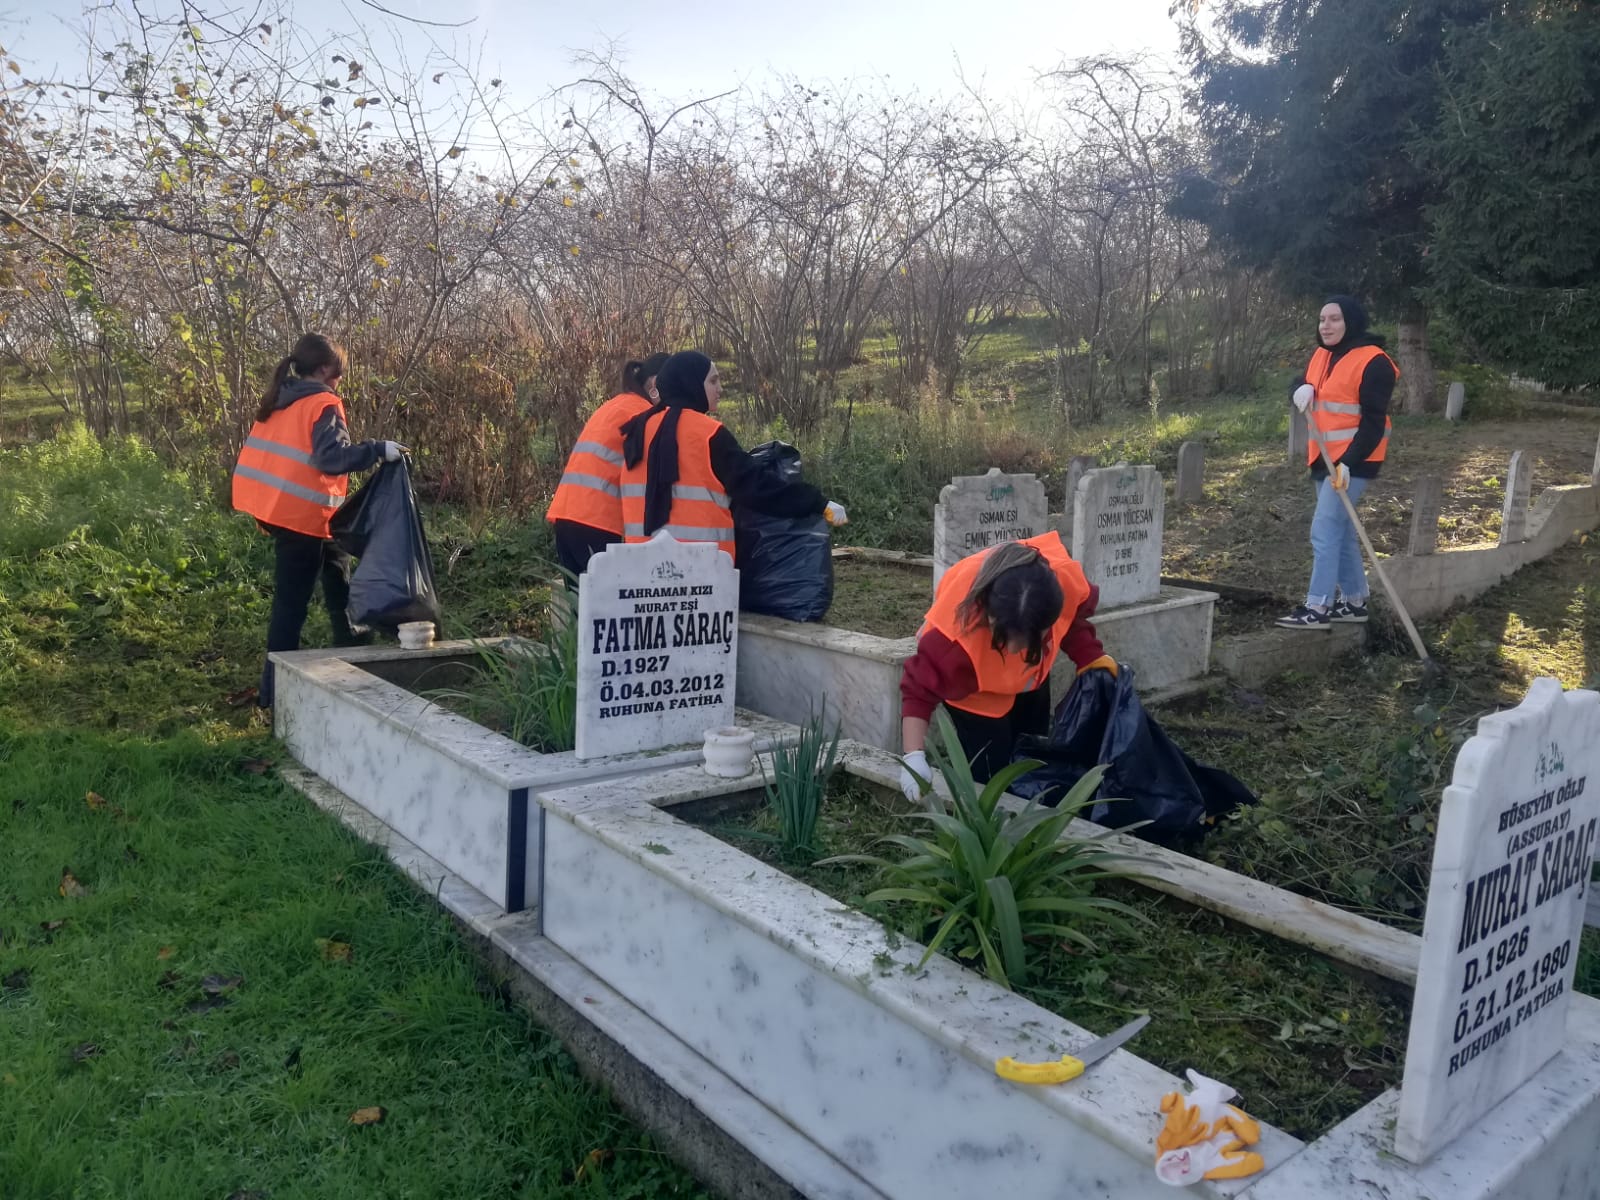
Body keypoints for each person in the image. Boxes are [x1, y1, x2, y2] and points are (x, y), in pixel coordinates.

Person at [232, 333, 404, 707]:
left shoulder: (281, 399)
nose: (340, 380)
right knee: (290, 606)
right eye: (339, 372)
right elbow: (331, 458)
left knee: (341, 586)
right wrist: (377, 450)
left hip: (299, 515)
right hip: (300, 518)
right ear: (326, 369)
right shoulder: (322, 402)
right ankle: (273, 695)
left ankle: (360, 672)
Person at [898, 532, 1116, 800]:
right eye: (1005, 637)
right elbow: (918, 690)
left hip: (1031, 678)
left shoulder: (1061, 585)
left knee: (1031, 756)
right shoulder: (954, 643)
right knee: (991, 775)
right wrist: (914, 756)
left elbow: (1072, 619)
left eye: (1029, 639)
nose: (1014, 650)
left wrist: (1090, 657)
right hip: (974, 690)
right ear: (989, 616)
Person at [618, 350, 846, 559]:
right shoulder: (707, 433)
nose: (721, 389)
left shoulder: (637, 429)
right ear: (691, 383)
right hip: (699, 569)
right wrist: (817, 502)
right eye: (713, 380)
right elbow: (756, 487)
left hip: (640, 566)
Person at [1276, 295, 1399, 630]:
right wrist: (1299, 389)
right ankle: (1356, 600)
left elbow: (1373, 422)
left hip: (1355, 460)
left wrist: (1349, 462)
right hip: (1323, 458)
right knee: (1341, 531)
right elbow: (1303, 383)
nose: (1325, 326)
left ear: (1351, 322)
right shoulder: (1322, 354)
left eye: (1334, 319)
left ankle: (1318, 606)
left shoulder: (1375, 362)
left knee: (1325, 528)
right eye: (1322, 320)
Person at [546, 353, 670, 577]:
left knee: (582, 607)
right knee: (607, 607)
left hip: (567, 517)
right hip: (597, 523)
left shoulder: (615, 406)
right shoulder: (642, 415)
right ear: (655, 384)